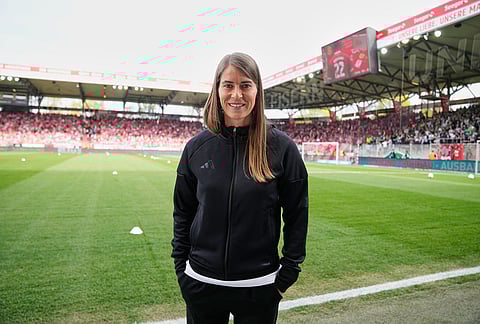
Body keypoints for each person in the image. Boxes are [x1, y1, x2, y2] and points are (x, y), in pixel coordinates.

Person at [171, 52, 309, 324]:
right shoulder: (196, 148)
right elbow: (182, 211)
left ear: (257, 90)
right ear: (217, 88)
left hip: (259, 288)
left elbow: (297, 214)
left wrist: (287, 274)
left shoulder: (282, 149)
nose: (236, 95)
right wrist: (182, 270)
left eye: (245, 85)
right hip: (201, 283)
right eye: (228, 85)